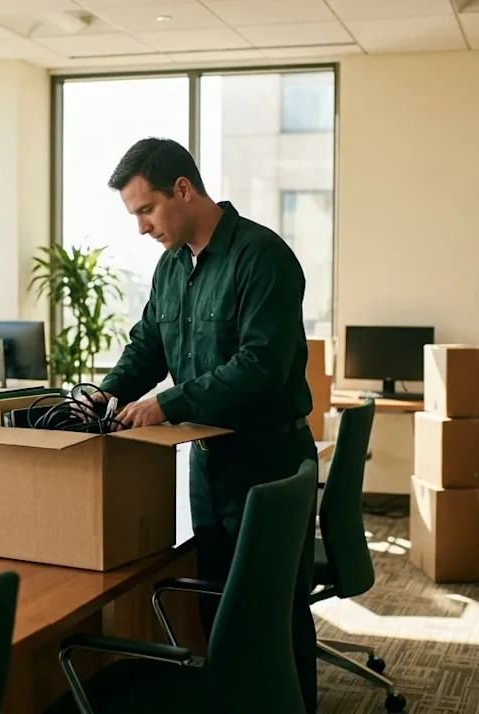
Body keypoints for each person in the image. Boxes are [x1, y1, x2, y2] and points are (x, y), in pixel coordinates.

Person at [95, 137, 319, 712]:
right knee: (216, 605)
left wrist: (170, 403)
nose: (142, 227)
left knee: (272, 611)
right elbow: (148, 345)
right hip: (210, 462)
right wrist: (105, 394)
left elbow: (263, 366)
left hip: (268, 463)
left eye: (146, 209)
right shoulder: (171, 267)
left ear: (183, 190)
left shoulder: (261, 256)